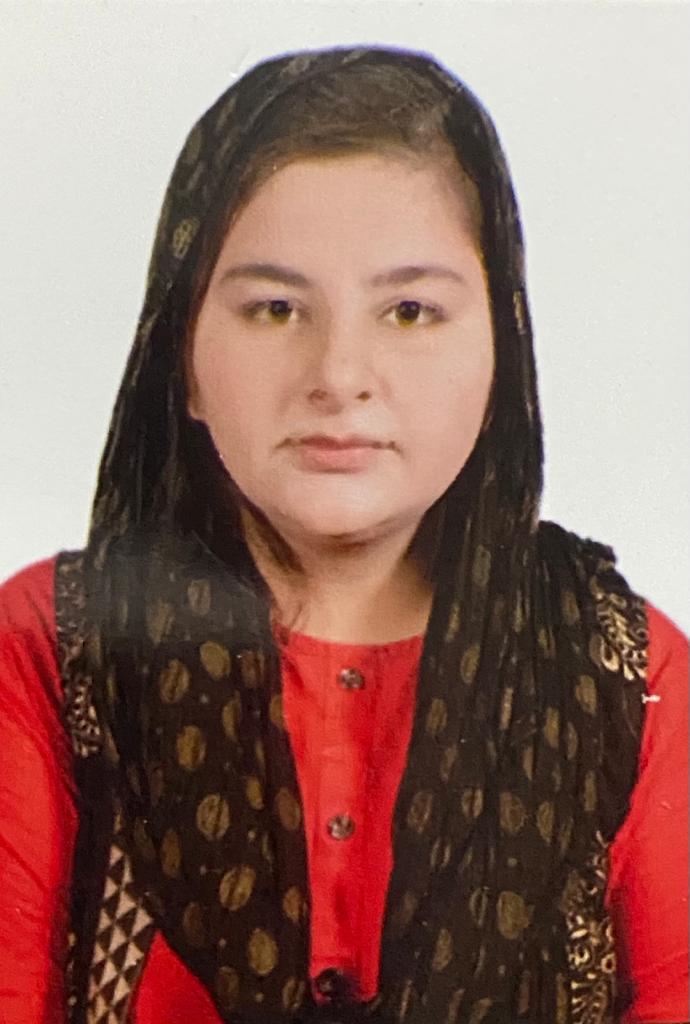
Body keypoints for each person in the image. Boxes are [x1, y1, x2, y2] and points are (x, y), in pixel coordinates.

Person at [0, 44, 687, 1024]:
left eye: (409, 310)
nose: (339, 375)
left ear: (502, 353)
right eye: (276, 308)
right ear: (182, 359)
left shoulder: (624, 670)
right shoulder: (50, 648)